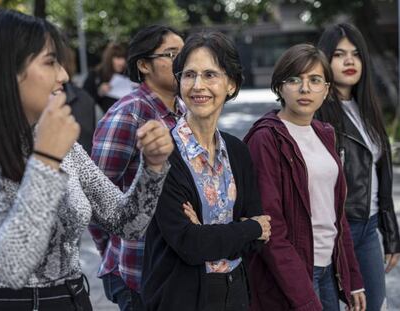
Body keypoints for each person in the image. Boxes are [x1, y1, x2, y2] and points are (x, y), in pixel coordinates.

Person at [0, 9, 173, 311]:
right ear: (6, 69)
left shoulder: (63, 144)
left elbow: (127, 223)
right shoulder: (40, 146)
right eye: (50, 62)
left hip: (72, 298)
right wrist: (46, 159)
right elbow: (11, 267)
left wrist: (153, 166)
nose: (63, 75)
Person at [141, 31, 271, 311]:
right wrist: (247, 228)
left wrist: (211, 233)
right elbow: (189, 245)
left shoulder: (237, 150)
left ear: (231, 85)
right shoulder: (163, 153)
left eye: (210, 74)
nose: (198, 85)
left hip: (236, 292)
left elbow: (259, 240)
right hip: (180, 297)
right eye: (189, 75)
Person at [243, 44, 366, 311]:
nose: (305, 89)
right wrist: (306, 297)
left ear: (327, 89)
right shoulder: (266, 138)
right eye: (294, 79)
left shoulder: (325, 133)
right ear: (279, 87)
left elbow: (337, 213)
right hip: (290, 276)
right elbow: (269, 227)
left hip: (329, 271)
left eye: (315, 80)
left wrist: (353, 278)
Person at [89, 25, 185, 311]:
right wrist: (114, 250)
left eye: (185, 53)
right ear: (144, 65)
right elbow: (95, 195)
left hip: (177, 264)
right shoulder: (128, 113)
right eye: (171, 54)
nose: (183, 62)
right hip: (138, 272)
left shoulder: (185, 109)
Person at [316, 23, 400, 311]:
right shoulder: (316, 113)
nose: (349, 61)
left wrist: (390, 232)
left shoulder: (367, 109)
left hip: (369, 227)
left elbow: (381, 175)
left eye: (355, 54)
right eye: (339, 54)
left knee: (374, 306)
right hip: (337, 229)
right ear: (325, 60)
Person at [83, 42, 133, 113]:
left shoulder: (127, 74)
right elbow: (84, 98)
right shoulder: (95, 75)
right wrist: (99, 92)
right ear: (109, 59)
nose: (122, 62)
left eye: (124, 58)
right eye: (118, 58)